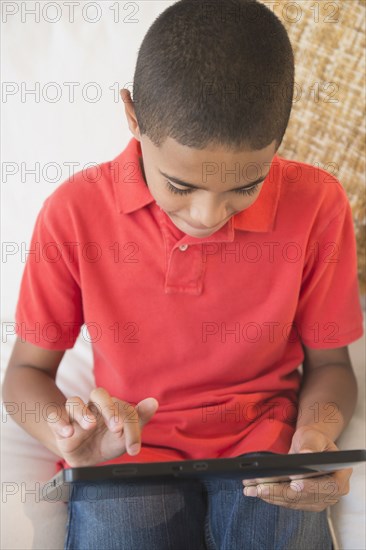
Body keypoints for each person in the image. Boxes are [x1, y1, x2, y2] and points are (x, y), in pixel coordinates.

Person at [3, 0, 364, 548]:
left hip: (264, 449)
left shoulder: (318, 204)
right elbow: (25, 375)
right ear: (132, 117)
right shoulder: (74, 211)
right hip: (128, 451)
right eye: (180, 185)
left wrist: (316, 437)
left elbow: (333, 366)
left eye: (246, 186)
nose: (208, 215)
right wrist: (68, 430)